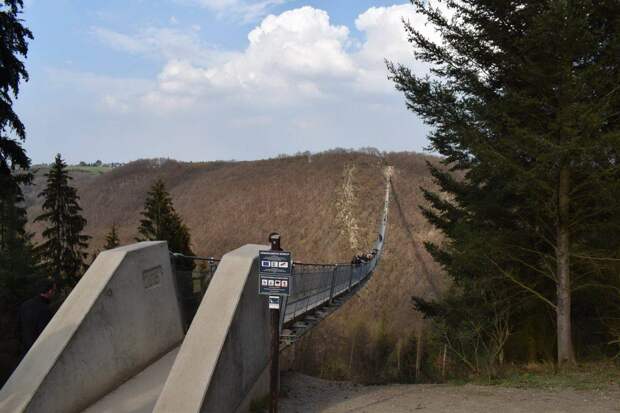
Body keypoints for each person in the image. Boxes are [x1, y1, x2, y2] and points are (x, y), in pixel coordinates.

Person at [18, 279, 56, 355]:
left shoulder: (25, 305)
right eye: (54, 290)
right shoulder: (45, 309)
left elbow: (18, 328)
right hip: (39, 351)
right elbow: (46, 333)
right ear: (50, 291)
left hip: (25, 351)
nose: (54, 293)